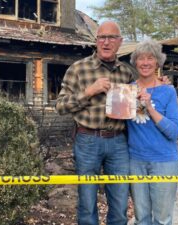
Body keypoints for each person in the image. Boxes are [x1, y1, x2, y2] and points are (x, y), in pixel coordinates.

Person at [56, 21, 132, 225]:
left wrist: (160, 85)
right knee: (87, 202)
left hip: (118, 142)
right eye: (101, 37)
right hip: (87, 140)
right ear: (96, 41)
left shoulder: (126, 72)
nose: (106, 42)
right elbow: (60, 106)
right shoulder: (78, 69)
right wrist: (89, 91)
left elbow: (140, 100)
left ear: (120, 42)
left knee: (119, 201)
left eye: (112, 38)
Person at [127, 39, 178, 225]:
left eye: (150, 58)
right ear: (135, 62)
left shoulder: (168, 92)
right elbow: (116, 119)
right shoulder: (127, 90)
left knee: (162, 219)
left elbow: (175, 132)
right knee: (141, 218)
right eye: (141, 58)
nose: (145, 63)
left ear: (158, 62)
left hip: (164, 161)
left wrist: (150, 107)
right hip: (136, 161)